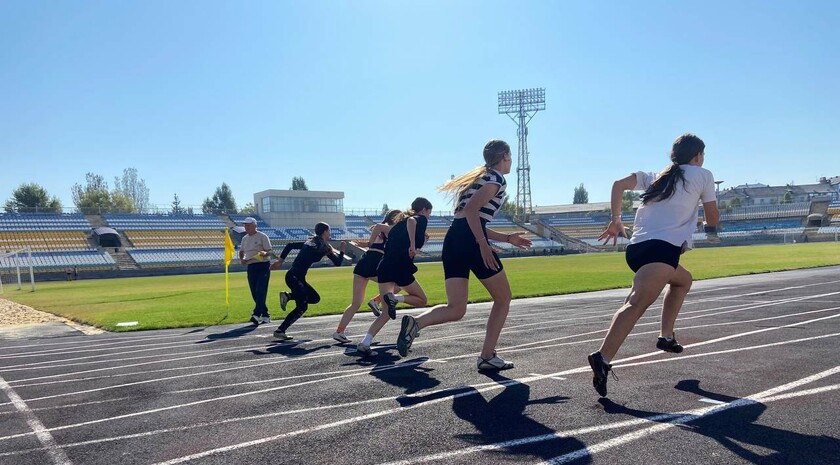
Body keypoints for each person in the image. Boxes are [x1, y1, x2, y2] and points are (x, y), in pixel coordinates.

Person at [588, 133, 720, 397]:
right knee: (635, 304)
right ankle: (602, 357)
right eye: (702, 155)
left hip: (637, 249)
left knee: (683, 279)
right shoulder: (703, 175)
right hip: (662, 249)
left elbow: (617, 184)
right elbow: (712, 214)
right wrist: (712, 231)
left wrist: (616, 219)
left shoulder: (655, 177)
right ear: (697, 156)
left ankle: (666, 337)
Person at [394, 140, 531, 370]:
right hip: (469, 240)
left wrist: (507, 239)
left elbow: (469, 219)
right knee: (503, 298)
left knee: (456, 308)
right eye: (510, 157)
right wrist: (482, 244)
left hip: (454, 239)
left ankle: (416, 324)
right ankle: (487, 356)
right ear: (505, 156)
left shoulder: (479, 180)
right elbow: (471, 212)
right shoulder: (496, 179)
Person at [356, 197, 433, 355]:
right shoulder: (419, 219)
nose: (429, 216)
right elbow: (412, 222)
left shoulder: (399, 225)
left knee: (385, 313)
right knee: (422, 300)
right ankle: (395, 298)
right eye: (429, 212)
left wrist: (419, 242)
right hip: (399, 266)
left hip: (384, 266)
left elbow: (405, 242)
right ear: (424, 209)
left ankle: (365, 342)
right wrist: (413, 244)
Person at [331, 210, 403, 343]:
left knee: (356, 303)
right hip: (374, 262)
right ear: (396, 218)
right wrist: (369, 243)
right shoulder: (389, 228)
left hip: (363, 263)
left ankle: (339, 331)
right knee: (398, 285)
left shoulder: (384, 230)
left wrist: (368, 243)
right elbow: (379, 228)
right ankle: (376, 301)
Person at [271, 222, 348, 340]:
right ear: (325, 232)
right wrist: (342, 251)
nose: (330, 233)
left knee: (314, 298)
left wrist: (281, 261)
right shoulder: (324, 246)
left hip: (294, 276)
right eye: (329, 231)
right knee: (302, 306)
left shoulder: (310, 242)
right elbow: (338, 262)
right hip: (295, 277)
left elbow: (290, 245)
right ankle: (281, 328)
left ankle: (289, 298)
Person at [238, 217, 273, 325]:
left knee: (260, 290)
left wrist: (263, 253)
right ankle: (266, 315)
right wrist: (242, 259)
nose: (246, 227)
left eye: (248, 225)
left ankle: (256, 314)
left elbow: (269, 251)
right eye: (245, 225)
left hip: (263, 265)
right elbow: (241, 251)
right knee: (254, 292)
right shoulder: (244, 238)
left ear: (254, 225)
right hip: (251, 266)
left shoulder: (262, 236)